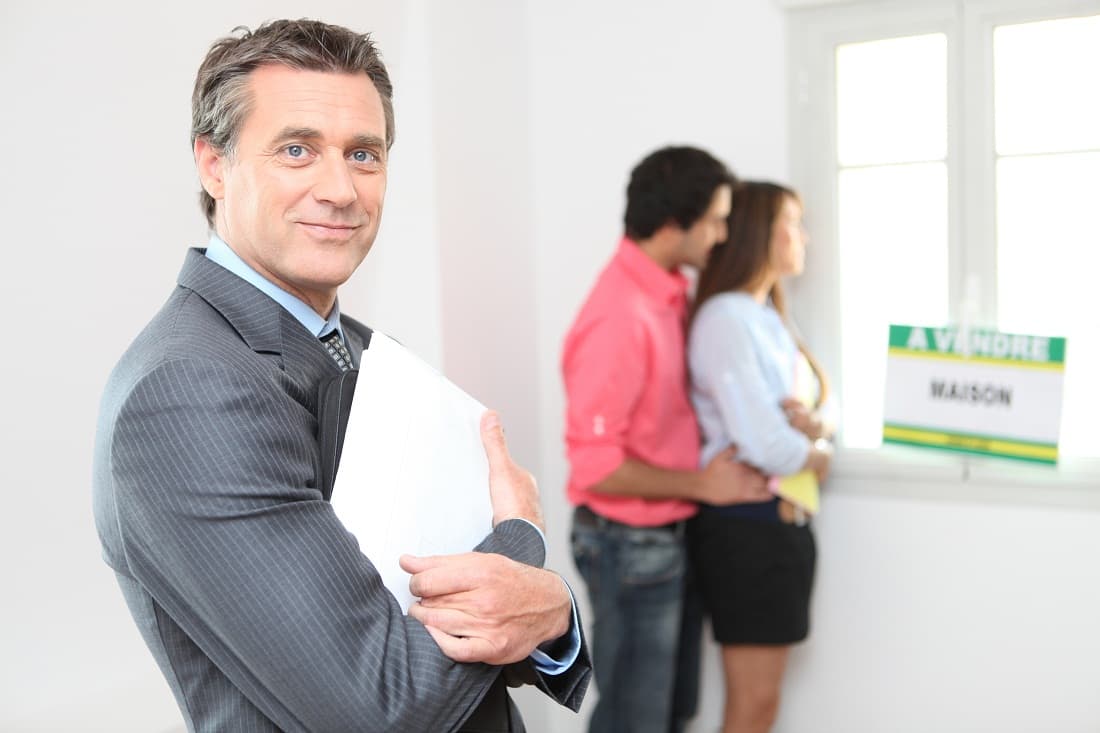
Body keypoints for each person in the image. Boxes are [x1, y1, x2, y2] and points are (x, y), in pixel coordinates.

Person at [92, 19, 589, 732]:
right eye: (297, 149)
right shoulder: (188, 389)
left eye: (364, 154)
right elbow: (375, 707)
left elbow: (457, 616)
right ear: (213, 163)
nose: (341, 189)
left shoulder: (356, 346)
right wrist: (522, 542)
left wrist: (553, 615)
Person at [561, 147, 773, 733]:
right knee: (636, 719)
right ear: (677, 223)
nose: (725, 234)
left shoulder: (670, 291)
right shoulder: (620, 315)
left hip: (665, 536)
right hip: (628, 543)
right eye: (717, 220)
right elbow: (598, 467)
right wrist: (703, 482)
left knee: (670, 714)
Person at [687, 181, 835, 733]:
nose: (803, 236)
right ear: (757, 233)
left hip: (781, 527)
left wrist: (817, 433)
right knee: (753, 704)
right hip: (748, 528)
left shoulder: (768, 316)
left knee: (763, 703)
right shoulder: (727, 317)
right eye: (791, 222)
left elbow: (816, 409)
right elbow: (766, 445)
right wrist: (819, 453)